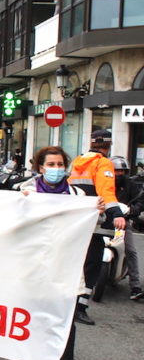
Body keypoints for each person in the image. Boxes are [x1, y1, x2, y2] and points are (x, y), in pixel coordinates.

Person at [18, 146, 99, 360]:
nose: (56, 169)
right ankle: (34, 358)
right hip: (36, 265)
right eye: (50, 165)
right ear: (40, 168)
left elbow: (88, 226)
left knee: (66, 318)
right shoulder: (24, 192)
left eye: (59, 164)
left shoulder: (78, 195)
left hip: (67, 265)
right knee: (36, 313)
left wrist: (97, 211)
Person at [68, 129, 126, 325]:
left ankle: (67, 302)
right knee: (92, 265)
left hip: (76, 220)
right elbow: (106, 191)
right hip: (96, 221)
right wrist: (116, 213)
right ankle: (81, 307)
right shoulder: (103, 163)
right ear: (108, 145)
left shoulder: (77, 162)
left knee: (74, 262)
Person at [110, 156, 144, 300]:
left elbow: (140, 201)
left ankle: (135, 287)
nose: (119, 174)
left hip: (124, 222)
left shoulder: (131, 185)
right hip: (102, 221)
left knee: (131, 250)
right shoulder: (103, 183)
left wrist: (132, 211)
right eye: (116, 171)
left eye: (122, 171)